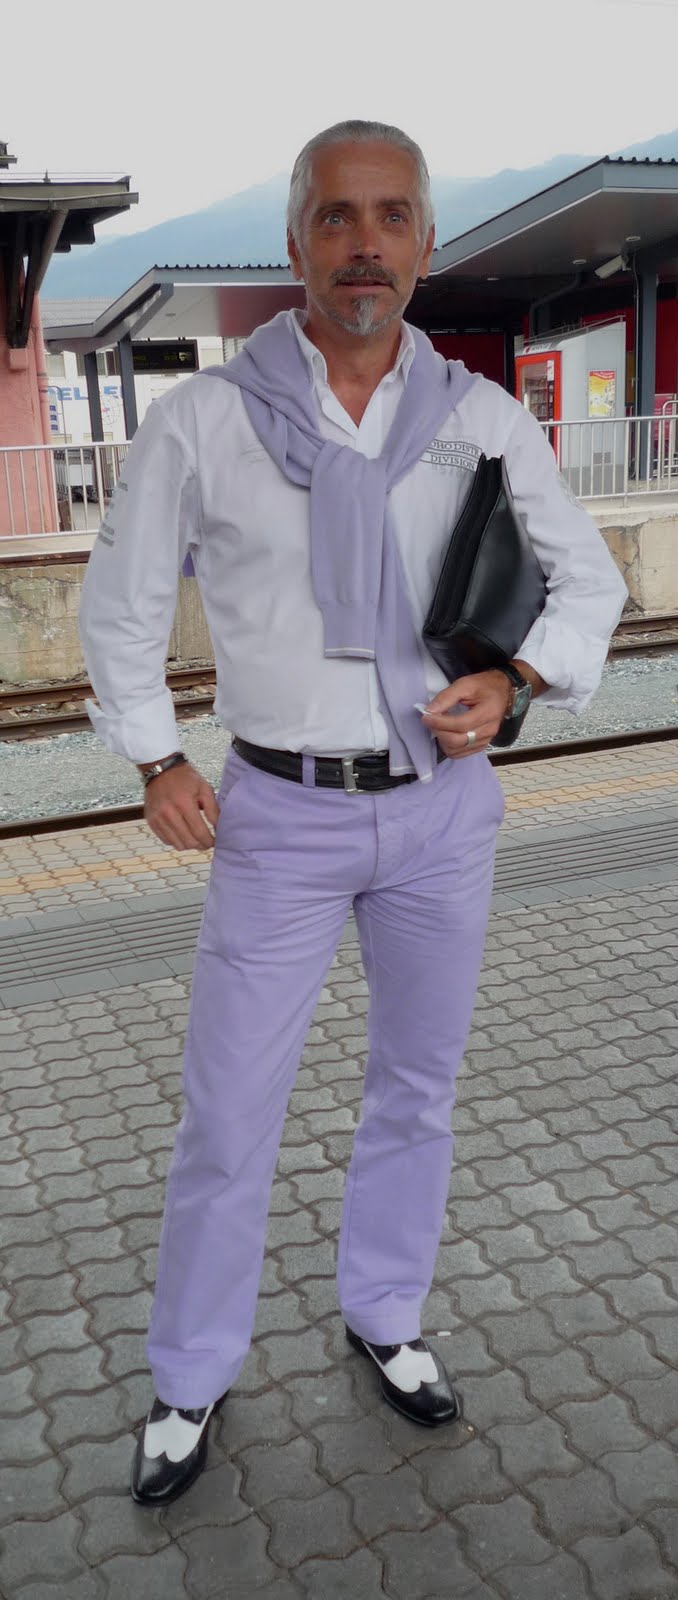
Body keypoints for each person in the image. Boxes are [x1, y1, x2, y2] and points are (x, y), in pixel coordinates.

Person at [79, 119, 627, 1507]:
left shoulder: (479, 417)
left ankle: (385, 1314)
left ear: (425, 245)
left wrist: (515, 681)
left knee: (416, 1090)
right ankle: (190, 1375)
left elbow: (590, 583)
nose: (364, 244)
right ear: (296, 242)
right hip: (277, 816)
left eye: (391, 217)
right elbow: (122, 604)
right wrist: (155, 761)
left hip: (441, 810)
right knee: (228, 1112)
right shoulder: (204, 421)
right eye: (337, 216)